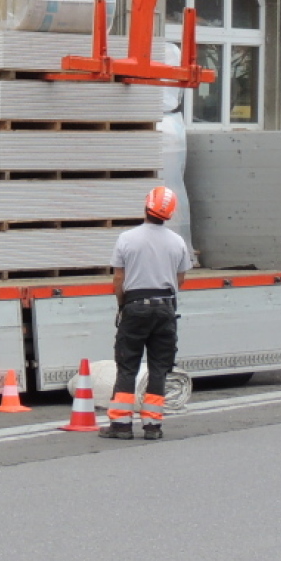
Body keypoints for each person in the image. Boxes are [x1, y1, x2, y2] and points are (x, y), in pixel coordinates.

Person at [102, 185, 192, 441]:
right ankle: (152, 426)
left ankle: (120, 426)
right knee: (158, 368)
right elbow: (181, 279)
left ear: (145, 206)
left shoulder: (127, 238)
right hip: (165, 308)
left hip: (135, 305)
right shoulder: (177, 242)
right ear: (170, 214)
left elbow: (118, 278)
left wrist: (123, 304)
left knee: (128, 365)